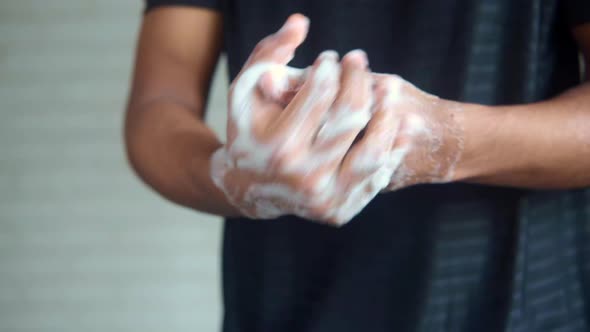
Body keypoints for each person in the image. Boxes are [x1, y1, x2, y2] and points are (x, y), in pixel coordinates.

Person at [125, 0, 590, 331]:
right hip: (283, 307)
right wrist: (236, 178)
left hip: (521, 306)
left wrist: (442, 138)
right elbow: (157, 109)